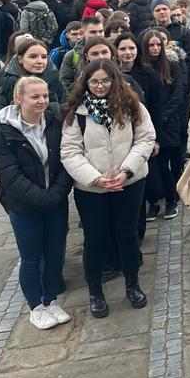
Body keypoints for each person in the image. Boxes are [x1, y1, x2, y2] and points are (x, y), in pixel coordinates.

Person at [61, 60, 155, 318]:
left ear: (114, 80)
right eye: (94, 81)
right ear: (86, 83)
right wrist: (95, 178)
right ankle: (95, 291)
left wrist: (126, 170)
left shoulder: (132, 106)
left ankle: (132, 284)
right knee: (95, 239)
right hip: (92, 189)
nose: (100, 86)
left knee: (127, 234)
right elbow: (70, 152)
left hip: (129, 182)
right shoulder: (76, 113)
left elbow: (145, 139)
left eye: (105, 80)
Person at [0, 77, 73, 330]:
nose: (42, 101)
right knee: (31, 256)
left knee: (54, 253)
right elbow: (6, 170)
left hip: (55, 200)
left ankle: (51, 299)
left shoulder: (55, 121)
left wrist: (57, 193)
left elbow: (66, 158)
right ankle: (36, 305)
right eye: (35, 97)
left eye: (45, 96)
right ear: (19, 99)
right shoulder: (3, 129)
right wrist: (42, 198)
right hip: (24, 205)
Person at [139, 29, 187, 221]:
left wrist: (163, 116)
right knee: (151, 165)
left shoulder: (172, 66)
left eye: (158, 44)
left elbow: (178, 94)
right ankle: (153, 201)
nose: (155, 48)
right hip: (147, 121)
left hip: (168, 122)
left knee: (164, 162)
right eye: (151, 45)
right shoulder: (142, 68)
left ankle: (171, 199)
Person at [0, 37, 65, 117]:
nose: (40, 61)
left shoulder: (54, 79)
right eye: (33, 57)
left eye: (44, 57)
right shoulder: (9, 82)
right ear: (20, 59)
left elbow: (64, 104)